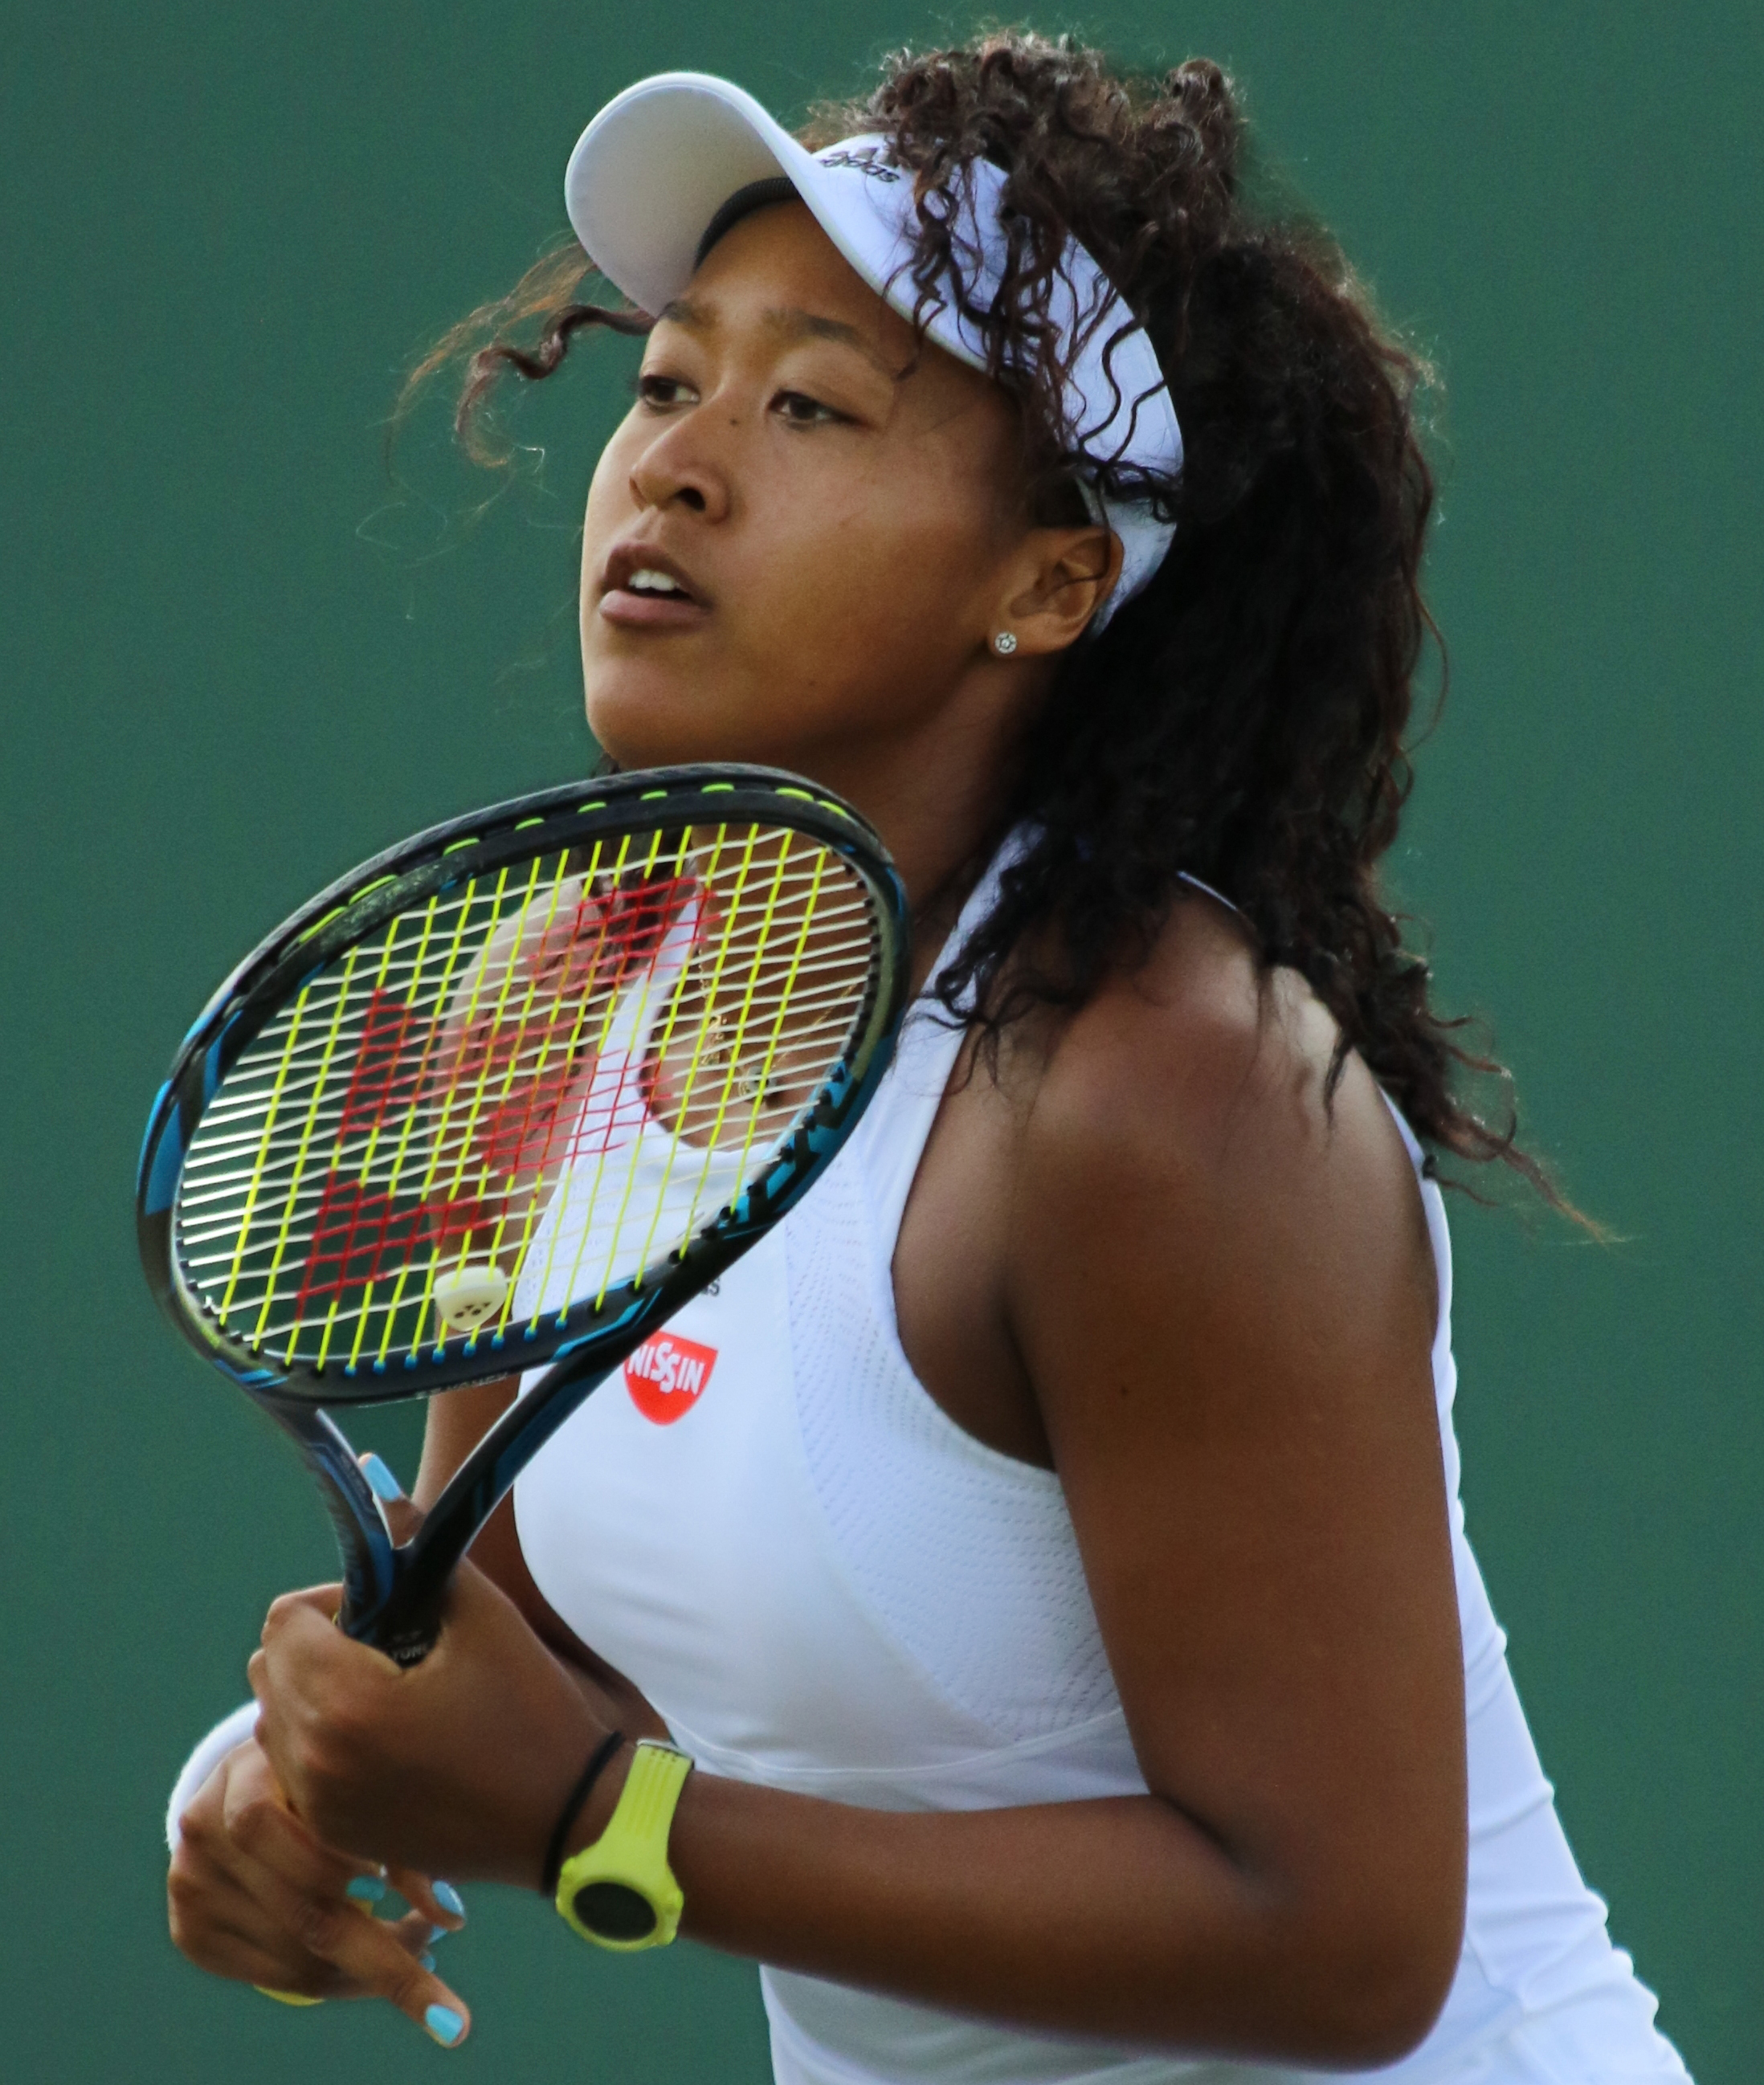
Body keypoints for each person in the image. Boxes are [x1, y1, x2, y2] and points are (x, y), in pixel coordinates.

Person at [164, 35, 1693, 2082]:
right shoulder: (568, 992)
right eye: (664, 380)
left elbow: (1340, 1937)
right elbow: (513, 1633)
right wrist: (273, 1789)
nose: (677, 463)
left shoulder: (1165, 1092)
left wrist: (594, 1826)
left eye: (808, 403)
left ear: (1050, 578)